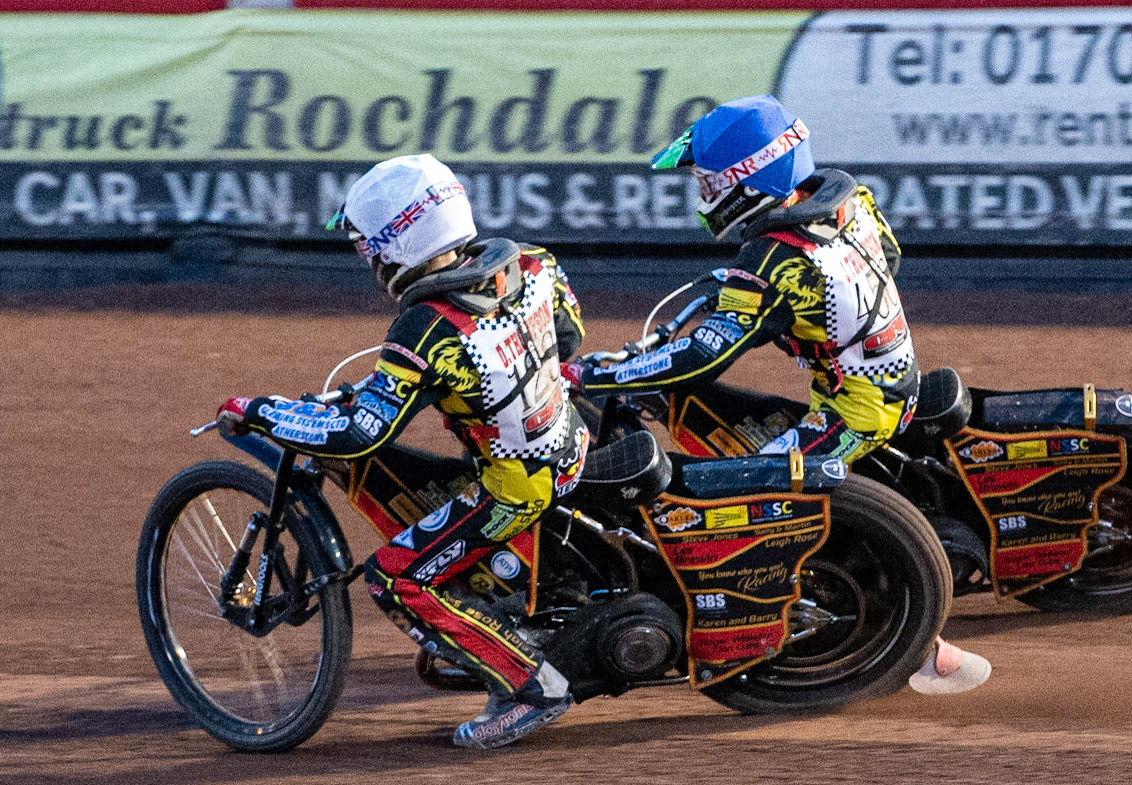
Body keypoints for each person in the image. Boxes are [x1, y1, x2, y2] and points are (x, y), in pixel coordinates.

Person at [564, 94, 990, 694]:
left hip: (853, 411)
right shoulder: (846, 200)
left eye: (709, 182)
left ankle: (916, 641)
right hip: (889, 382)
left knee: (749, 507)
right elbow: (888, 258)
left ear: (747, 179)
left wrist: (589, 376)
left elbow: (701, 357)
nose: (703, 195)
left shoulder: (773, 258)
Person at [217, 154, 588, 748]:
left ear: (396, 245)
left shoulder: (424, 328)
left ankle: (533, 688)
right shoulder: (531, 262)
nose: (370, 261)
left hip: (517, 487)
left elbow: (362, 434)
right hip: (572, 443)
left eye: (370, 247)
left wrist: (260, 410)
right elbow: (568, 338)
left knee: (394, 577)